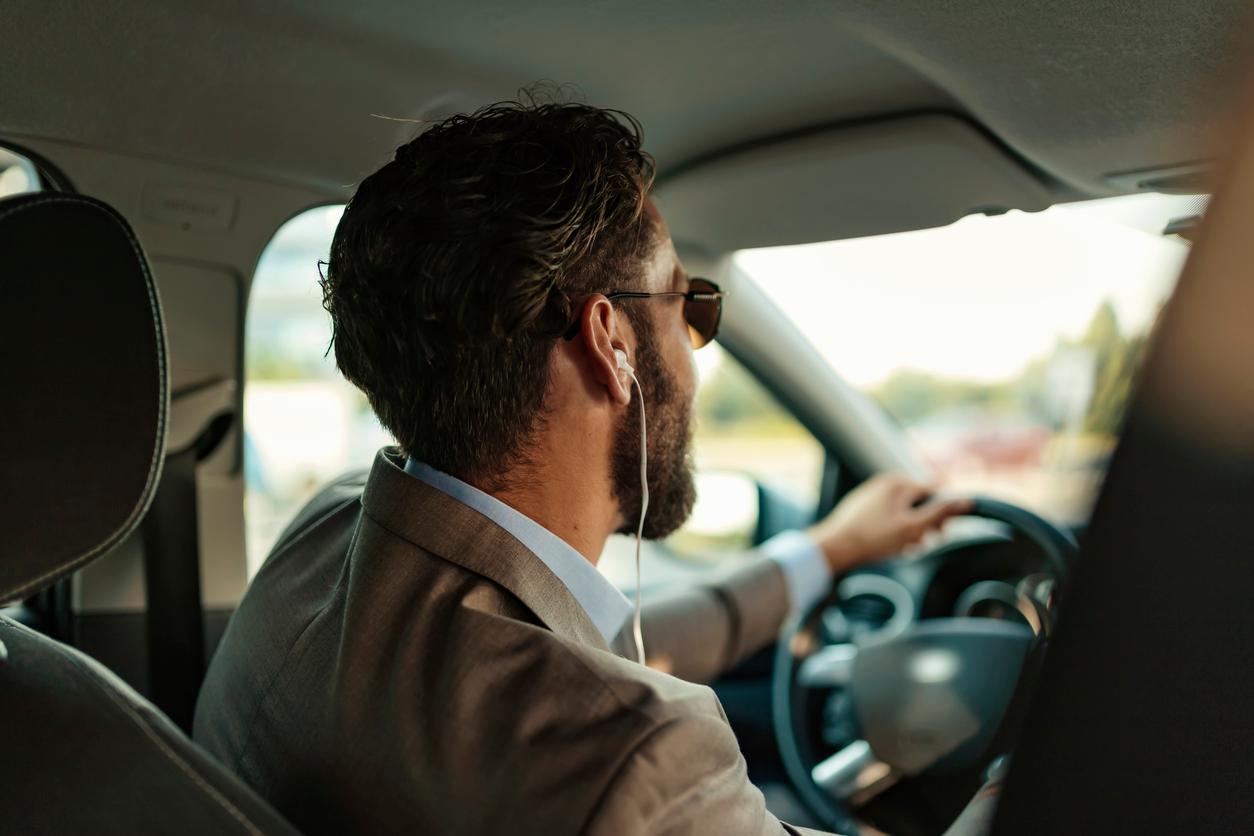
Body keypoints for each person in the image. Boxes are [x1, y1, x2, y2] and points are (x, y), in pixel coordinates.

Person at [194, 96, 984, 834]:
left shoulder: (329, 536)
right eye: (688, 304)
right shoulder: (642, 756)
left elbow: (605, 646)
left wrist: (831, 550)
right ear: (612, 343)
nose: (697, 348)